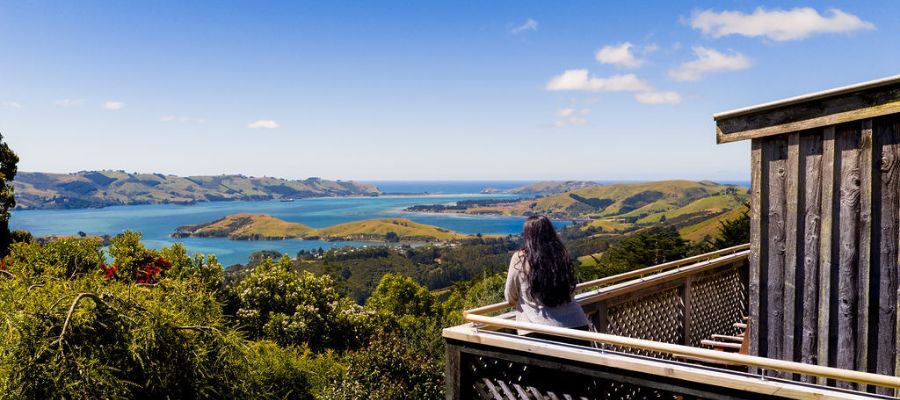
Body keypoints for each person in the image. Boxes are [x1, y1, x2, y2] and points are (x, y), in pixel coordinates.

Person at [505, 215, 590, 345]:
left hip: (540, 330)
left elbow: (510, 297)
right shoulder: (561, 255)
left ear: (527, 235)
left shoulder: (520, 259)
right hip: (577, 326)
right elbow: (570, 290)